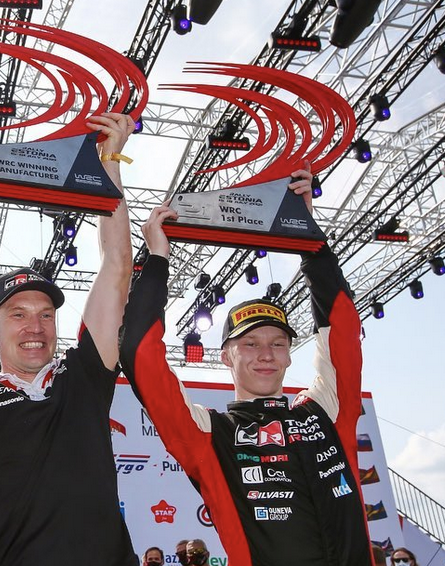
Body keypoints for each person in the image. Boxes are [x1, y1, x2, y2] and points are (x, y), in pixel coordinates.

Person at [120, 163, 372, 566]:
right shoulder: (209, 435)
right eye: (250, 344)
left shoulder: (326, 412)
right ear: (226, 356)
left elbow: (341, 327)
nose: (266, 354)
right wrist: (157, 260)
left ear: (290, 353)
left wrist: (309, 238)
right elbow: (139, 354)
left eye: (277, 343)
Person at [0, 113, 137, 565]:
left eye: (46, 315)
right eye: (18, 315)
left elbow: (117, 268)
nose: (36, 326)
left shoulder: (83, 376)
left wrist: (109, 163)